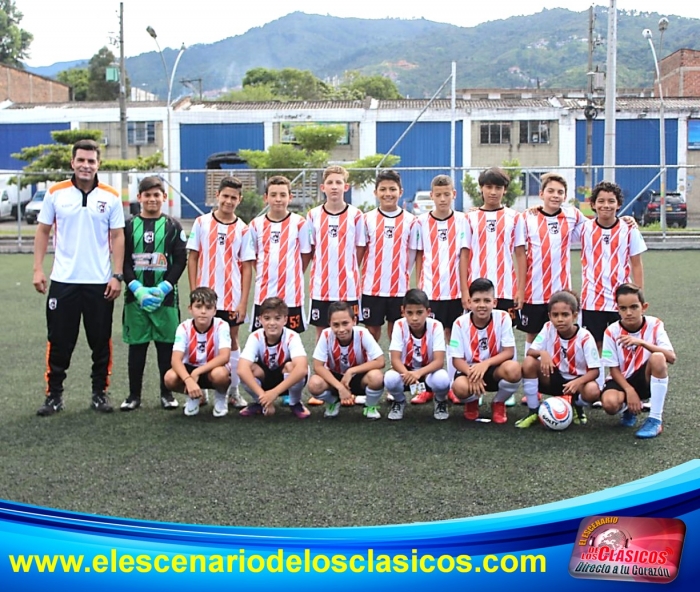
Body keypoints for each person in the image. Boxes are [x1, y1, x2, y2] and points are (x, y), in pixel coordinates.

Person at [33, 139, 125, 416]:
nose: (86, 165)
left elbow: (118, 236)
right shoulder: (55, 193)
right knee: (59, 340)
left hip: (99, 283)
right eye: (81, 160)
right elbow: (42, 231)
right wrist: (38, 268)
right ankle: (54, 396)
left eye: (91, 161)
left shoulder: (110, 196)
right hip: (64, 282)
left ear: (99, 164)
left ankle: (99, 393)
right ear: (72, 162)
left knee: (100, 341)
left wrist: (116, 275)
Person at [120, 176, 187, 411]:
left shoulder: (173, 226)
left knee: (165, 348)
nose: (151, 199)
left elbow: (180, 261)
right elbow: (123, 260)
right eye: (147, 195)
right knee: (136, 348)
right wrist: (136, 288)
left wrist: (164, 287)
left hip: (166, 299)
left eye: (156, 195)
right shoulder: (128, 226)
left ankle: (166, 394)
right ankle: (133, 395)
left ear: (163, 198)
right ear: (139, 198)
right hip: (135, 300)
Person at [186, 177, 251, 409]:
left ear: (239, 200)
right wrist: (194, 292)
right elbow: (192, 257)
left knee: (232, 341)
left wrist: (243, 302)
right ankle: (200, 389)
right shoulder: (201, 223)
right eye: (225, 196)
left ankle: (233, 391)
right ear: (218, 195)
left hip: (231, 298)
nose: (229, 201)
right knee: (202, 340)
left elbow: (245, 267)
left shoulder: (243, 229)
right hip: (205, 298)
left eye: (234, 197)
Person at [306, 165, 365, 406]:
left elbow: (360, 249)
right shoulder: (313, 215)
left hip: (349, 288)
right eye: (330, 182)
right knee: (324, 338)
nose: (334, 187)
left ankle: (354, 388)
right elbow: (309, 249)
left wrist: (347, 271)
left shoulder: (356, 215)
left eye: (338, 182)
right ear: (323, 187)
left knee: (351, 338)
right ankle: (327, 388)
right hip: (321, 288)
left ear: (346, 187)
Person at [413, 174, 467, 405]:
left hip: (454, 293)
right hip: (430, 292)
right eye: (438, 195)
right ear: (432, 196)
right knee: (430, 340)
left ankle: (453, 385)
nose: (443, 199)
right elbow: (418, 255)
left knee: (452, 339)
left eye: (447, 194)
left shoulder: (464, 221)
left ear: (454, 195)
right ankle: (427, 387)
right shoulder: (421, 222)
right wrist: (419, 288)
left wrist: (465, 291)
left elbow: (464, 255)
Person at [516, 173, 585, 352]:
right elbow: (519, 251)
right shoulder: (527, 217)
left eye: (560, 192)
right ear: (541, 194)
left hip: (561, 289)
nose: (555, 195)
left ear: (565, 196)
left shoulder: (573, 215)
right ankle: (531, 376)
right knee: (533, 332)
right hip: (534, 289)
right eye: (551, 191)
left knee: (561, 330)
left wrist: (624, 220)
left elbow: (595, 227)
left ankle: (559, 368)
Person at [598, 283, 675, 439]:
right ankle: (628, 409)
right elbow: (613, 369)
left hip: (644, 378)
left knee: (658, 357)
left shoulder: (655, 324)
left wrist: (642, 343)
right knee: (610, 404)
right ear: (618, 309)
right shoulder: (611, 331)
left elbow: (671, 357)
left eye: (634, 307)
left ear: (644, 307)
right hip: (621, 379)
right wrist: (629, 391)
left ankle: (655, 419)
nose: (629, 313)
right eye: (623, 308)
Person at [516, 290, 600, 429]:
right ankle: (533, 411)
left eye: (565, 315)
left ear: (574, 315)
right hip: (553, 378)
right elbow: (531, 352)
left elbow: (595, 371)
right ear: (549, 316)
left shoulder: (585, 337)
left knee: (592, 390)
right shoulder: (548, 327)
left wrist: (578, 382)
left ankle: (577, 407)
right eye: (555, 315)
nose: (560, 319)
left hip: (576, 383)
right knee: (529, 362)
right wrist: (543, 353)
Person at [580, 181, 646, 349]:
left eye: (611, 201)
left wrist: (637, 295)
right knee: (595, 345)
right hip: (592, 299)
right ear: (593, 204)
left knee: (623, 343)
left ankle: (621, 375)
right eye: (601, 201)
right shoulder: (583, 229)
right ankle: (599, 376)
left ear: (619, 204)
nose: (606, 205)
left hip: (621, 299)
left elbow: (637, 264)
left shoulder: (629, 229)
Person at [242, 176, 312, 333]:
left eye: (283, 195)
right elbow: (253, 257)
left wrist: (293, 273)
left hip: (291, 294)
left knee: (292, 338)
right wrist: (264, 272)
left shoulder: (299, 223)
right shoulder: (255, 224)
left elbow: (306, 254)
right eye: (273, 195)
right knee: (262, 337)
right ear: (266, 198)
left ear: (290, 197)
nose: (278, 199)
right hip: (264, 294)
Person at [450, 278, 521, 424]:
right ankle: (472, 402)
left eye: (487, 301)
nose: (482, 305)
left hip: (495, 369)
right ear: (469, 303)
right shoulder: (459, 323)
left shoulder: (503, 317)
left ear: (494, 303)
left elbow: (509, 352)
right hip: (470, 370)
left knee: (514, 369)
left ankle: (498, 403)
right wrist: (473, 374)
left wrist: (486, 364)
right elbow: (456, 360)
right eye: (476, 301)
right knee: (459, 387)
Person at [360, 169, 418, 343]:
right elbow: (361, 252)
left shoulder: (411, 220)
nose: (388, 194)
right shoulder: (366, 219)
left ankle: (396, 367)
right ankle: (369, 366)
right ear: (376, 192)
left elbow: (412, 254)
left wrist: (401, 273)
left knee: (397, 331)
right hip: (371, 288)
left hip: (399, 288)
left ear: (400, 192)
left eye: (392, 189)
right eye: (383, 189)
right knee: (371, 332)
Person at [308, 301, 385, 420]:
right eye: (336, 325)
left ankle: (370, 406)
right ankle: (333, 402)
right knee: (314, 384)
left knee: (376, 377)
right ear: (329, 324)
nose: (341, 329)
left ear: (354, 321)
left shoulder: (362, 333)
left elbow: (380, 361)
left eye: (345, 323)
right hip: (335, 378)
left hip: (359, 377)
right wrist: (340, 387)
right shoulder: (326, 335)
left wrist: (351, 371)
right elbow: (317, 366)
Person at [237, 297, 310, 418]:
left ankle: (295, 403)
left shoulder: (293, 336)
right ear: (260, 319)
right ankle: (260, 403)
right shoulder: (255, 337)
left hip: (285, 380)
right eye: (267, 318)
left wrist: (274, 393)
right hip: (265, 380)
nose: (272, 323)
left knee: (292, 366)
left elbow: (302, 369)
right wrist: (264, 398)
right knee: (249, 369)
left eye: (277, 318)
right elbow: (241, 369)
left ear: (285, 320)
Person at [164, 287, 231, 417]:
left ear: (215, 310)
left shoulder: (222, 325)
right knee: (169, 378)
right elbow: (175, 360)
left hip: (212, 369)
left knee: (220, 374)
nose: (203, 311)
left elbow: (225, 356)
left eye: (208, 307)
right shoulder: (183, 327)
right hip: (191, 369)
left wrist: (197, 372)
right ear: (190, 309)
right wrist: (188, 380)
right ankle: (195, 395)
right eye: (198, 306)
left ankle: (221, 397)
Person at [384, 289, 450, 421]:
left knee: (442, 379)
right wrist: (408, 374)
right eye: (410, 313)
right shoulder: (399, 325)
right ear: (403, 312)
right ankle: (399, 401)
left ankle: (440, 401)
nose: (414, 318)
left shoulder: (436, 325)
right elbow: (395, 359)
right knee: (390, 378)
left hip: (428, 373)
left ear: (428, 312)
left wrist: (418, 373)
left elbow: (439, 361)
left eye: (419, 312)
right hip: (405, 372)